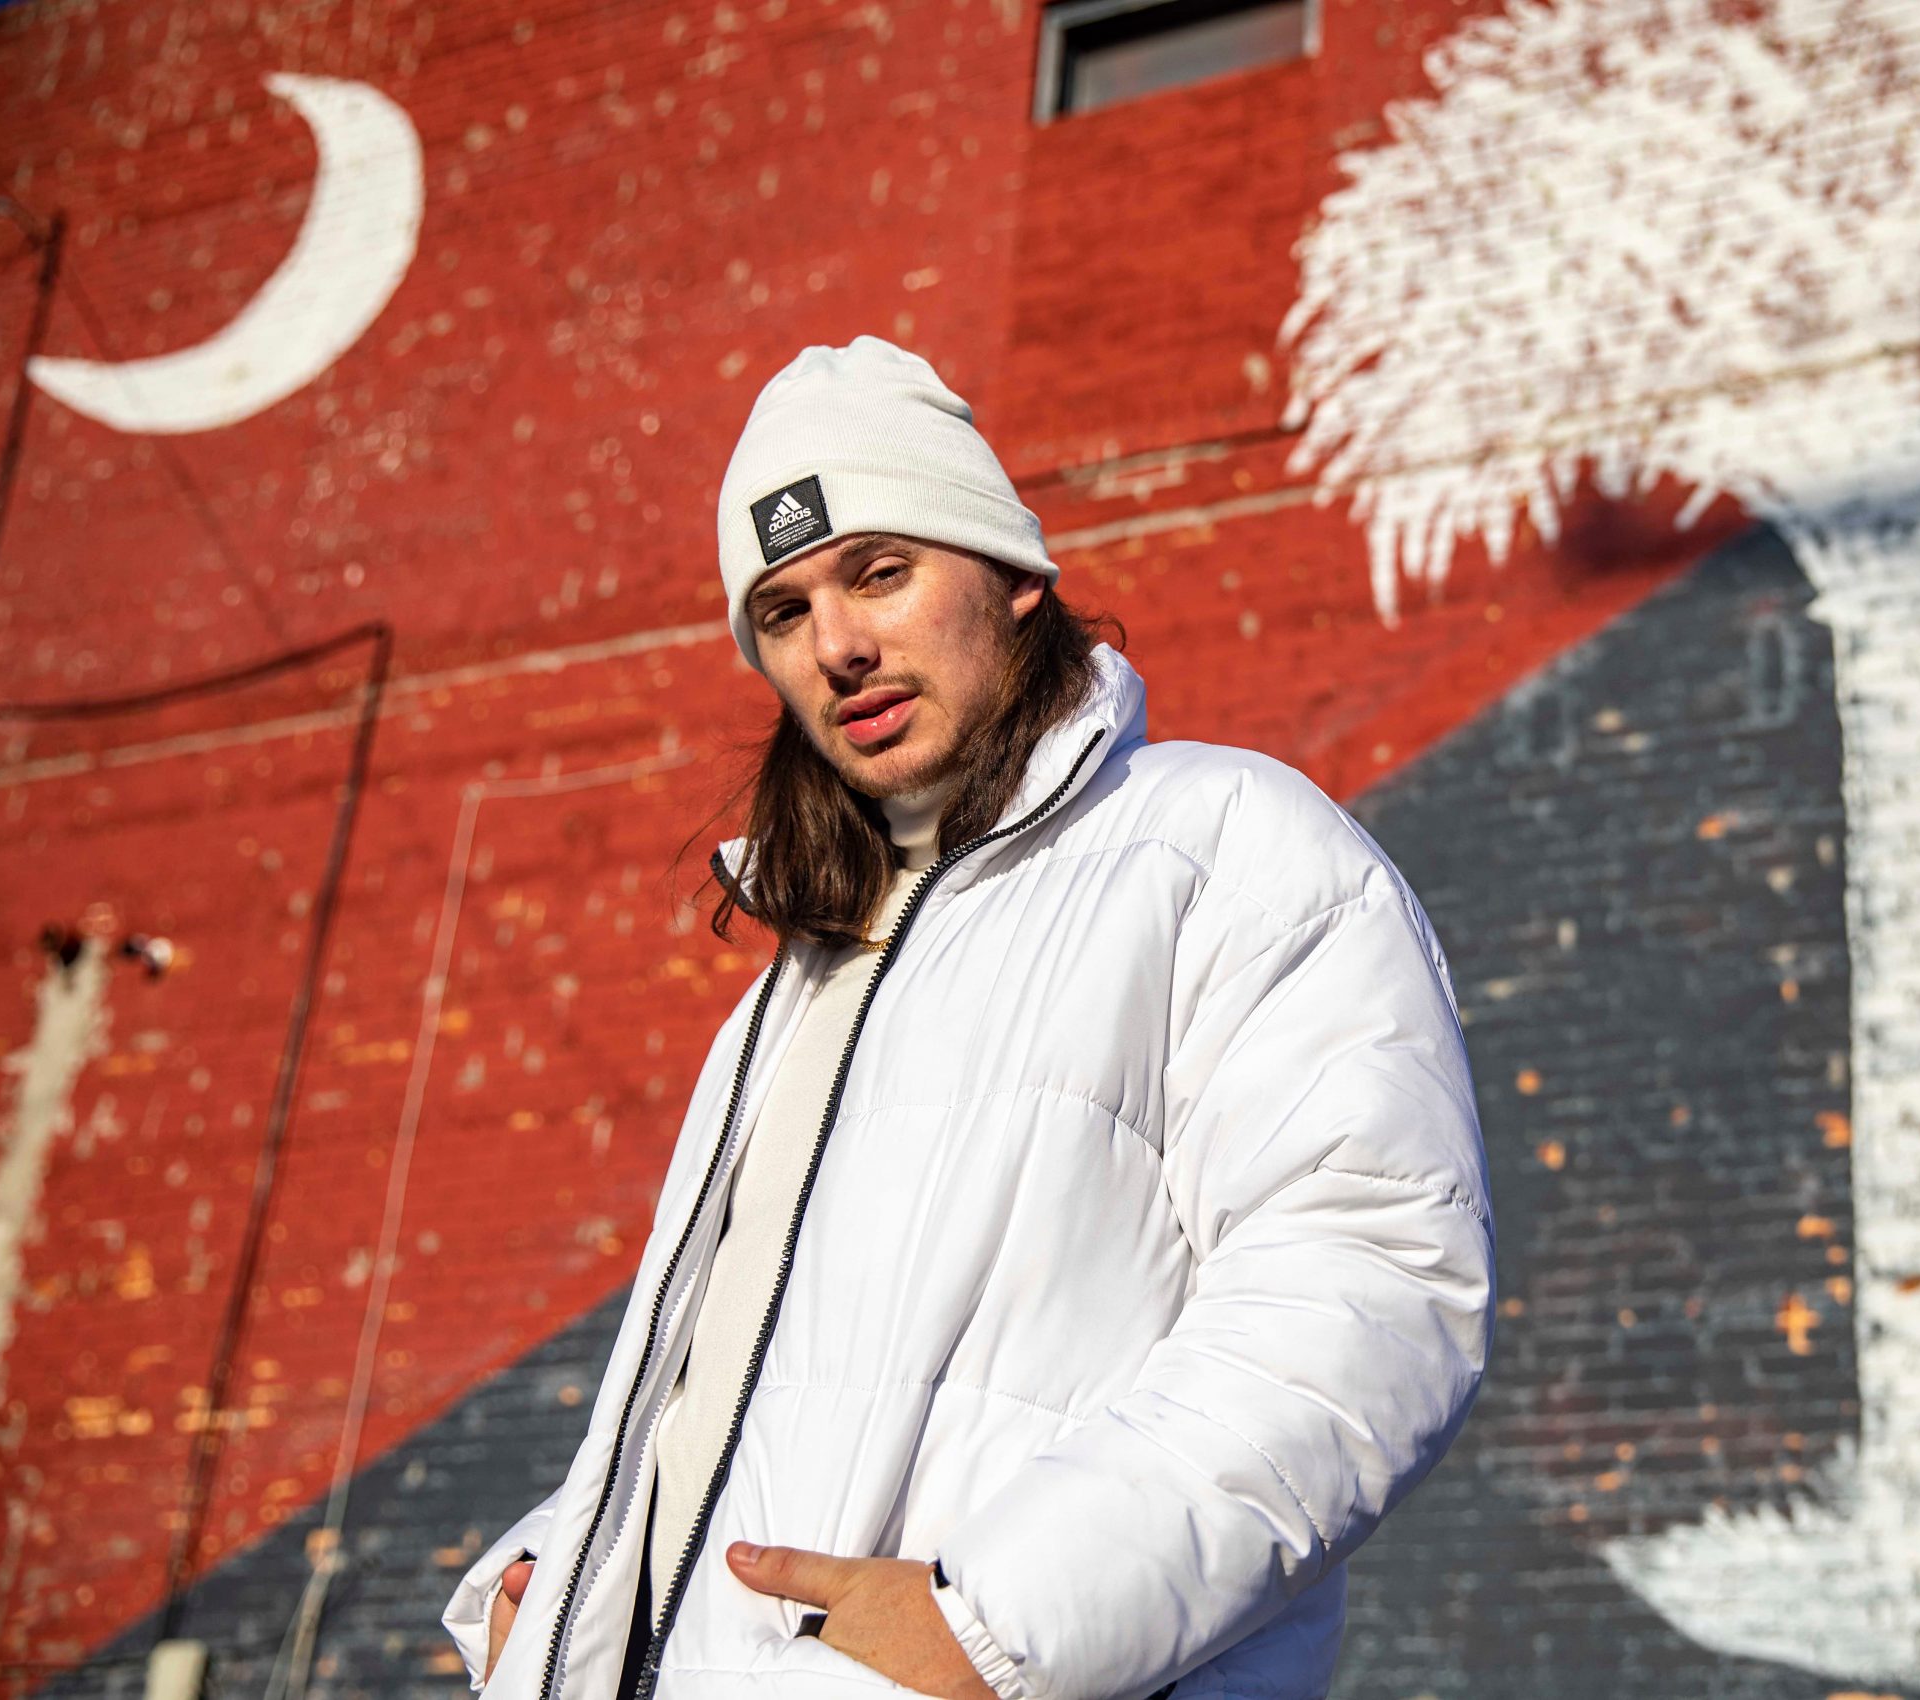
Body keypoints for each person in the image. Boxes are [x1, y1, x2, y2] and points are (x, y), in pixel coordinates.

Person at [441, 336, 1494, 1700]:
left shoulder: (1222, 845)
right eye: (782, 611)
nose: (837, 645)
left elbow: (1369, 1287)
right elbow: (763, 1395)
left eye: (880, 571)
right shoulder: (801, 982)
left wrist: (993, 1626)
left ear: (1014, 577)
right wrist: (557, 1584)